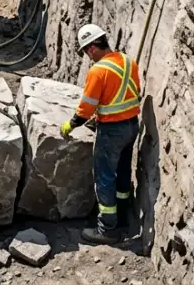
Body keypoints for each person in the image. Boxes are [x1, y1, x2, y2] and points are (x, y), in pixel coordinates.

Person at [60, 23, 142, 245]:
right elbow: (130, 93)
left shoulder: (98, 71)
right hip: (132, 126)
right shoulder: (128, 61)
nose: (88, 57)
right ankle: (122, 218)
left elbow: (86, 108)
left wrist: (71, 125)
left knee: (104, 178)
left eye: (87, 52)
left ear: (92, 48)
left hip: (112, 131)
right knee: (123, 172)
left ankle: (107, 229)